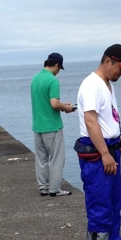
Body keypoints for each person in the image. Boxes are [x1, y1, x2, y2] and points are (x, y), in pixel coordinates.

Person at [75, 44, 121, 240]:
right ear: (108, 61)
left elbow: (108, 119)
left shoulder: (107, 85)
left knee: (113, 202)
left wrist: (120, 141)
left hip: (111, 147)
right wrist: (104, 154)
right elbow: (91, 122)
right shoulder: (91, 85)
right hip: (96, 152)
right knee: (99, 202)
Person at [31, 52, 75, 197]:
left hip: (38, 126)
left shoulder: (35, 78)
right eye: (59, 68)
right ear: (57, 65)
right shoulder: (53, 81)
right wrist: (66, 108)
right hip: (52, 126)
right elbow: (54, 104)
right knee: (56, 159)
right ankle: (55, 189)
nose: (58, 71)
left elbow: (45, 102)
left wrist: (63, 105)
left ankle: (43, 187)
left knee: (41, 159)